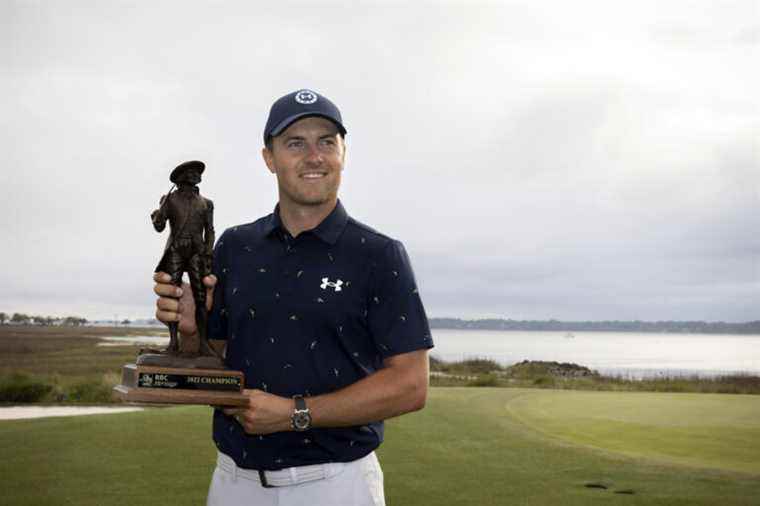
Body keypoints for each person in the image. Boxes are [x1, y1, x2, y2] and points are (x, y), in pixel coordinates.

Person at [153, 89, 433, 506]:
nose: (314, 156)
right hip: (234, 483)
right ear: (269, 158)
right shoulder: (235, 246)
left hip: (338, 486)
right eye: (295, 143)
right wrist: (193, 333)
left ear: (343, 153)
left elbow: (410, 385)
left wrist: (294, 413)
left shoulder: (378, 254)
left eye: (326, 141)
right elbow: (216, 358)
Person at [150, 160, 216, 357]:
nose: (197, 175)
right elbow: (160, 227)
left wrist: (208, 252)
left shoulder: (206, 203)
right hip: (176, 250)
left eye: (197, 172)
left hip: (197, 251)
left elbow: (210, 231)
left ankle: (203, 343)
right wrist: (157, 216)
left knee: (201, 297)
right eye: (192, 172)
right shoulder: (169, 200)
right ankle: (173, 344)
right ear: (182, 177)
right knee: (172, 295)